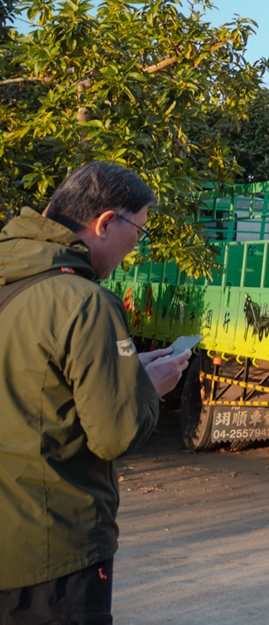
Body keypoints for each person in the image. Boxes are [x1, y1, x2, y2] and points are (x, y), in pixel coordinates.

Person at [0, 162, 191, 625]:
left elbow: (36, 386)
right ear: (106, 222)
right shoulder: (84, 302)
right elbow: (114, 435)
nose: (134, 249)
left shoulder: (13, 280)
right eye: (138, 232)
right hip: (53, 552)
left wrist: (122, 371)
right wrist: (148, 386)